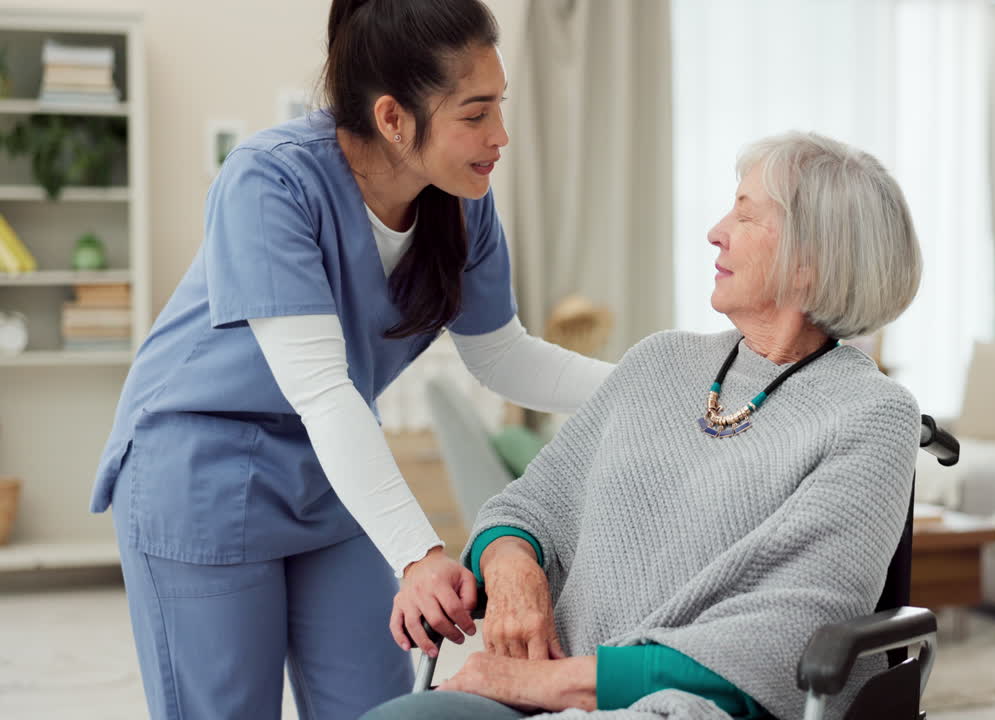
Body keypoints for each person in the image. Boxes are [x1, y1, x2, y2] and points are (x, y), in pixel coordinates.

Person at [88, 1, 613, 717]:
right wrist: (419, 554)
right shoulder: (270, 182)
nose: (500, 135)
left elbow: (501, 355)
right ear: (393, 117)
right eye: (475, 113)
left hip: (328, 474)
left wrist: (655, 381)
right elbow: (323, 391)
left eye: (501, 105)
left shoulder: (461, 199)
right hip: (200, 469)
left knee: (375, 706)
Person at [362, 132, 924, 720]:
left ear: (810, 259)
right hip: (545, 692)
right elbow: (525, 507)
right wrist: (512, 571)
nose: (716, 232)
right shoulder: (660, 362)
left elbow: (791, 633)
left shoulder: (872, 413)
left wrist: (545, 684)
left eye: (745, 215)